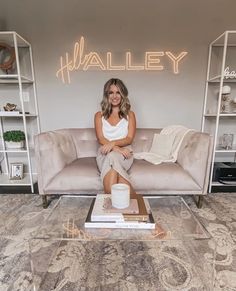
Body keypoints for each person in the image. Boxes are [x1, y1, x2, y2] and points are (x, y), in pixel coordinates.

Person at [94, 78, 136, 195]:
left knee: (112, 156)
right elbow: (101, 139)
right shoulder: (98, 115)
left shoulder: (130, 115)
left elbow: (129, 138)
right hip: (104, 152)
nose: (115, 96)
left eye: (118, 92)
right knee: (112, 156)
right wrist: (116, 148)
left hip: (125, 153)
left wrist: (112, 144)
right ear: (106, 95)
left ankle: (111, 205)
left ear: (123, 94)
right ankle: (136, 203)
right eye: (111, 92)